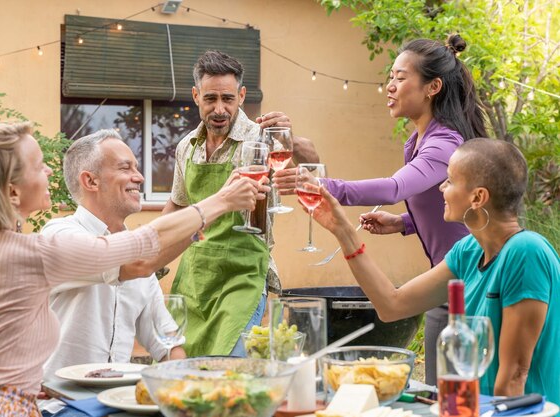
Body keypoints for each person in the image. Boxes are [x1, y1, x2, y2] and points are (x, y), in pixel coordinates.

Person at [0, 122, 266, 416]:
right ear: (12, 191)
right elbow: (142, 250)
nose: (49, 171)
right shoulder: (43, 250)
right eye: (38, 166)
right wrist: (222, 200)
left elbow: (164, 333)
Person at [275, 34, 487, 385]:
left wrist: (326, 187)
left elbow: (394, 188)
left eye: (400, 78)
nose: (390, 86)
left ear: (432, 87)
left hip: (472, 279)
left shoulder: (444, 142)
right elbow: (448, 208)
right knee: (439, 391)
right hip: (447, 277)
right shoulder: (416, 141)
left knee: (459, 393)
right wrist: (404, 223)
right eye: (390, 77)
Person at [310, 138, 560, 403]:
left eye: (450, 180)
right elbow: (392, 305)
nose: (441, 187)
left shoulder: (526, 252)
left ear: (478, 197)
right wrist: (343, 231)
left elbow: (514, 377)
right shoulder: (468, 251)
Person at [163, 50, 319, 357]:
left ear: (241, 95)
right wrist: (143, 251)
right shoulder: (187, 147)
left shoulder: (260, 135)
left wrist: (291, 137)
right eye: (210, 99)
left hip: (243, 274)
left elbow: (312, 163)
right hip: (194, 277)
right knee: (183, 375)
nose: (219, 108)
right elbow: (177, 208)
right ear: (196, 96)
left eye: (228, 98)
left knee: (230, 369)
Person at [41, 129, 187, 384]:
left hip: (115, 400)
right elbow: (131, 262)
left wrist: (183, 392)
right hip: (58, 402)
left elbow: (169, 344)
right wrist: (206, 215)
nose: (139, 177)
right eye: (125, 168)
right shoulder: (58, 236)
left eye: (137, 167)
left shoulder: (142, 262)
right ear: (91, 181)